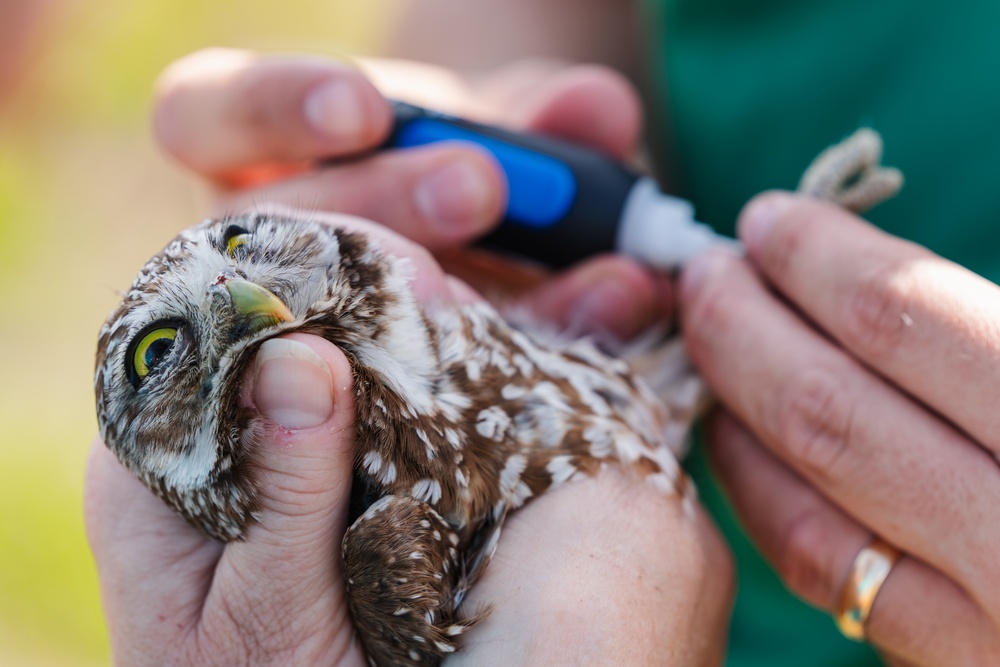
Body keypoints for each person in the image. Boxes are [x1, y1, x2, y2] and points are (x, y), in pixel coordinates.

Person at [86, 1, 1000, 665]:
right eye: (156, 353)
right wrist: (486, 110)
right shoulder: (355, 510)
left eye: (240, 247)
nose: (237, 289)